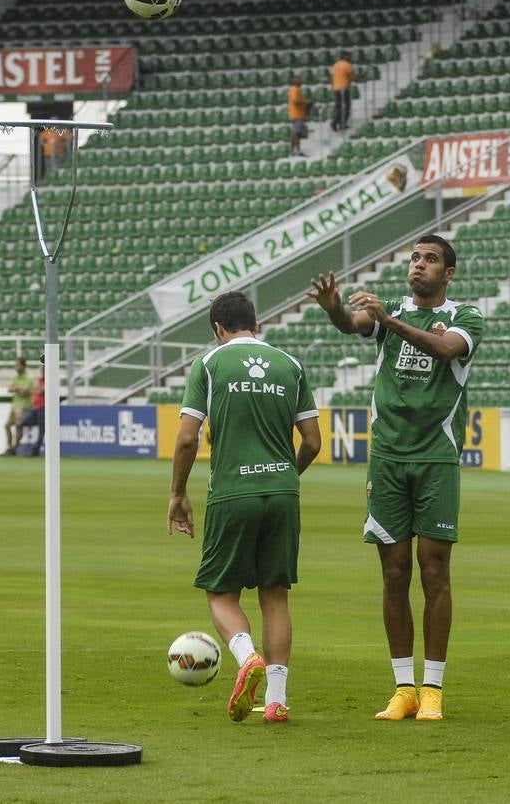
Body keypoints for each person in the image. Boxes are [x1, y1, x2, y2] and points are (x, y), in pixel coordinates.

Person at [309, 235, 484, 722]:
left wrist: (389, 321)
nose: (419, 265)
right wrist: (333, 310)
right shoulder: (389, 314)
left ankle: (434, 688)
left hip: (435, 458)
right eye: (414, 258)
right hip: (386, 458)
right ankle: (403, 687)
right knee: (393, 573)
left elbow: (446, 349)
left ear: (448, 273)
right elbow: (353, 324)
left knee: (434, 572)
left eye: (430, 260)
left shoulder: (467, 317)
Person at [167, 291, 321, 724]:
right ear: (256, 322)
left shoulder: (210, 364)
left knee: (220, 592)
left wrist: (178, 493)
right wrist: (285, 476)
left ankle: (245, 655)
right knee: (275, 595)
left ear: (218, 329)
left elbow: (185, 437)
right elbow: (312, 440)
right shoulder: (290, 365)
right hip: (284, 492)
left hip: (234, 491)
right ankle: (275, 701)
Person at [2, 357, 34, 456]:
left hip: (24, 406)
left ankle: (14, 448)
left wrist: (16, 388)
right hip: (15, 406)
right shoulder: (15, 377)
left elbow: (25, 393)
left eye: (18, 365)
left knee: (18, 426)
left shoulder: (29, 378)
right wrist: (19, 388)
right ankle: (10, 447)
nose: (16, 367)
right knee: (7, 425)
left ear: (23, 366)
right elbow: (10, 389)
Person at [20, 364, 45, 456]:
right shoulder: (38, 381)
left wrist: (31, 390)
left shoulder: (48, 381)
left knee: (41, 431)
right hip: (35, 408)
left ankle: (35, 451)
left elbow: (40, 391)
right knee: (23, 421)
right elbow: (37, 391)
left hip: (43, 408)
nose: (42, 372)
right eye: (41, 370)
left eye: (43, 371)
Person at [330, 51, 354, 132]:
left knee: (339, 106)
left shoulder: (335, 65)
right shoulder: (347, 65)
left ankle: (338, 123)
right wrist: (360, 77)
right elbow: (351, 77)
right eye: (349, 56)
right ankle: (338, 123)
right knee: (346, 107)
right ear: (345, 56)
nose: (350, 58)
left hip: (336, 88)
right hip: (344, 88)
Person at [287, 75, 310, 156]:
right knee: (296, 133)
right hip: (297, 114)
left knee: (296, 133)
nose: (301, 81)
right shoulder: (294, 90)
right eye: (300, 80)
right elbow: (296, 102)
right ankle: (295, 151)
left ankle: (294, 151)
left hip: (297, 114)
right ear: (295, 81)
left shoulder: (294, 90)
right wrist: (305, 102)